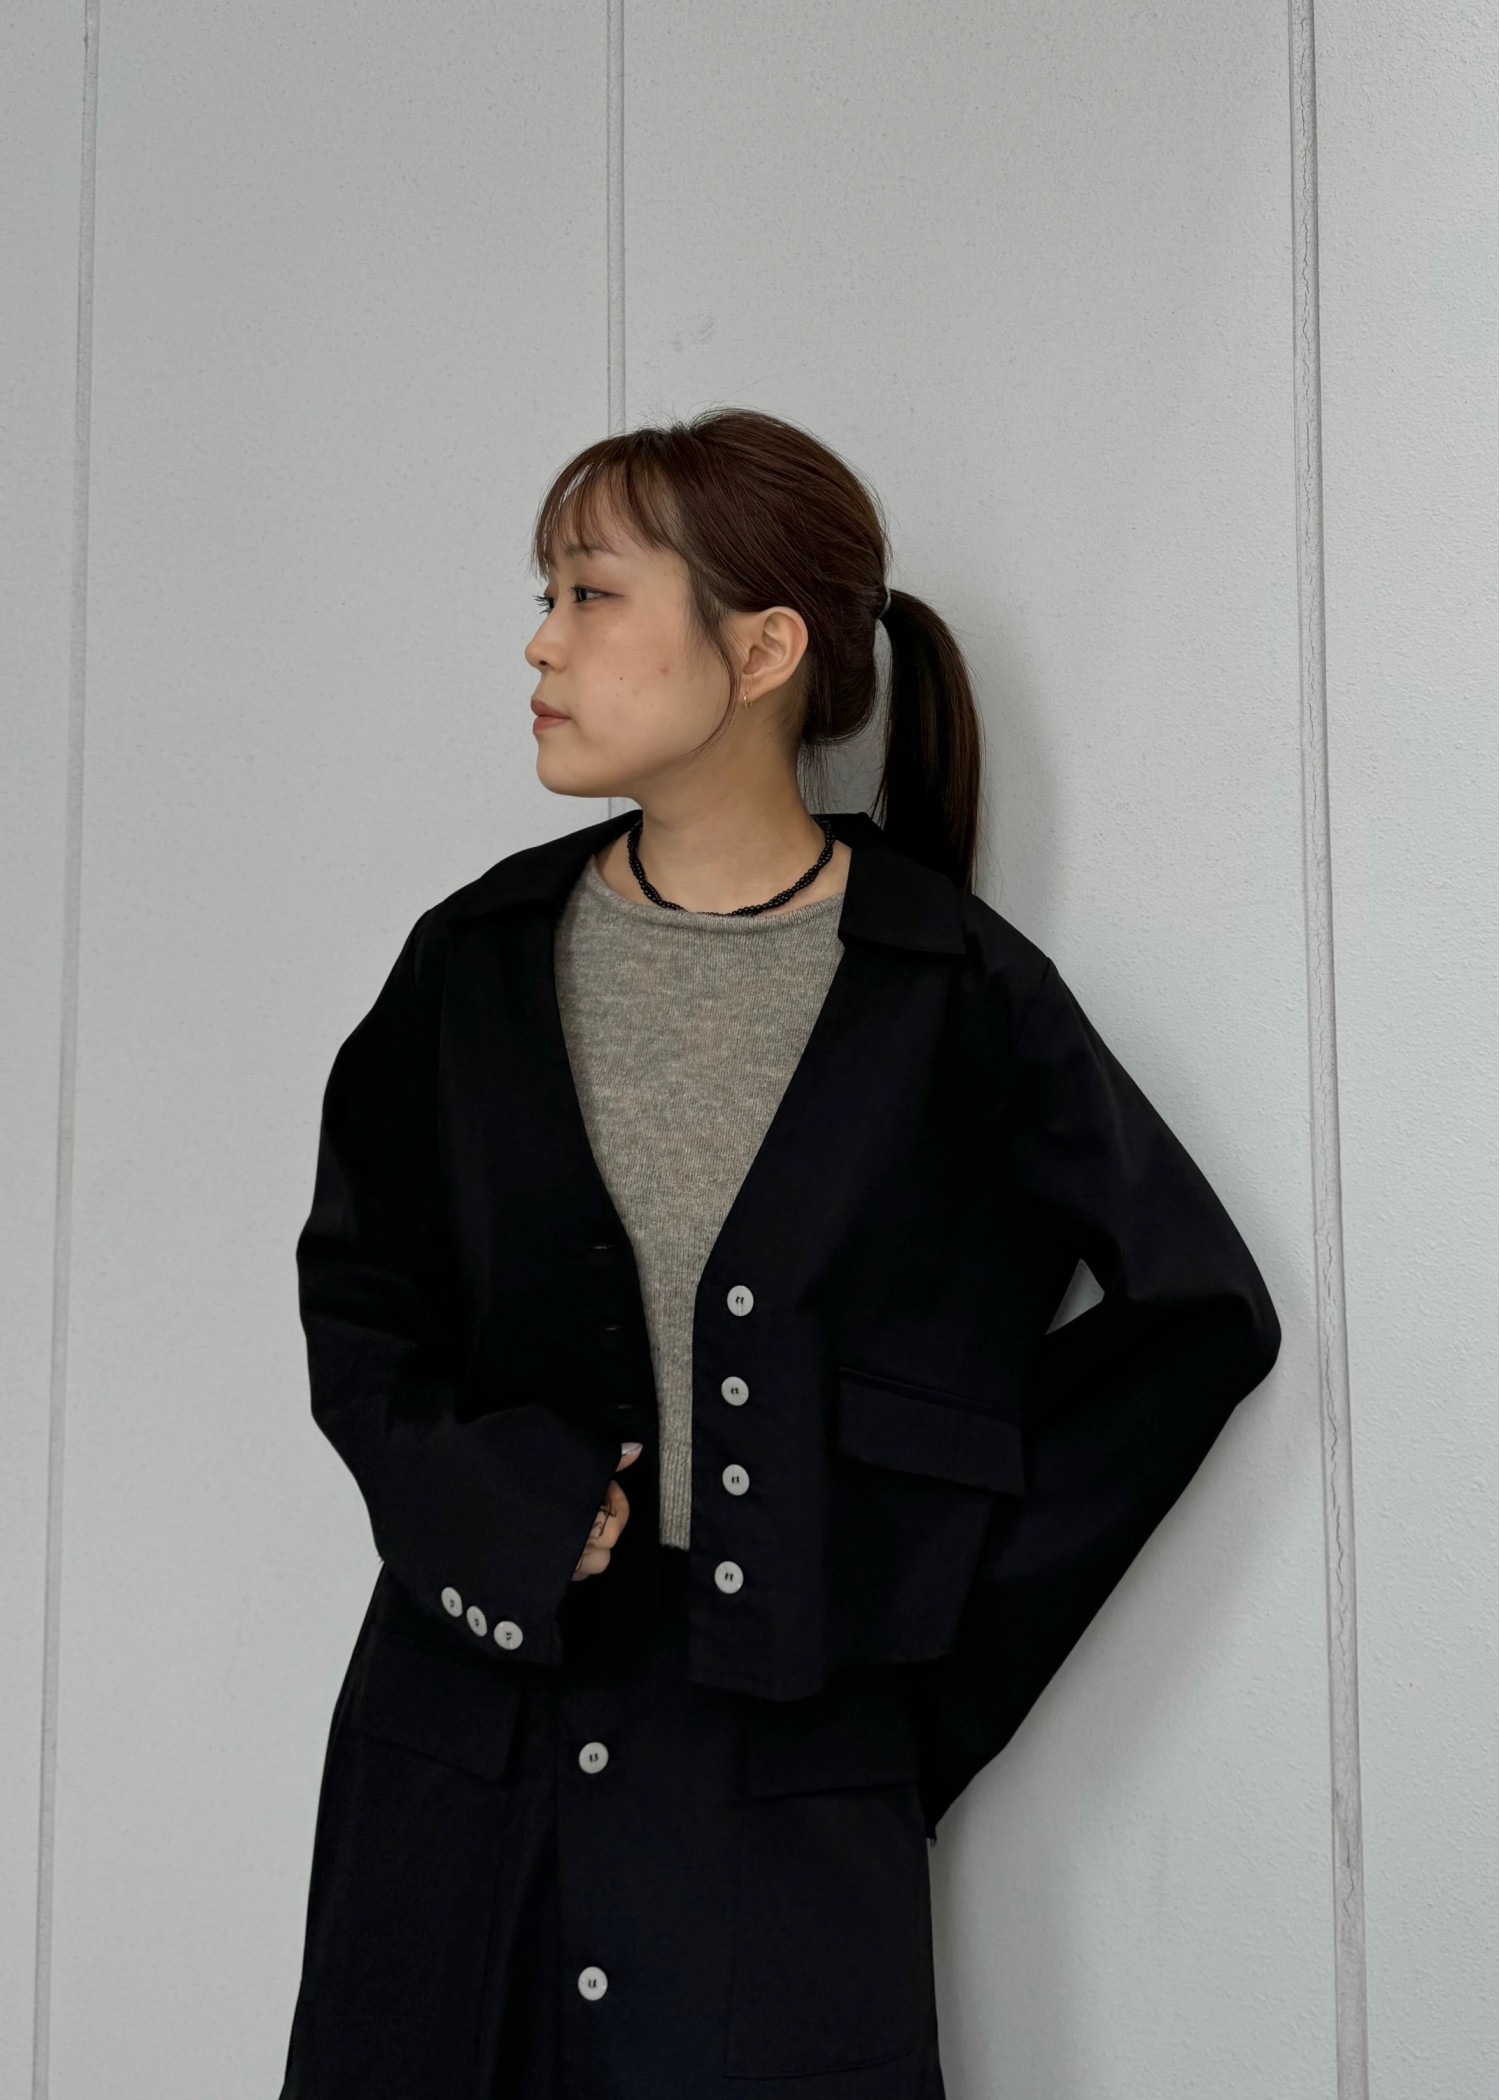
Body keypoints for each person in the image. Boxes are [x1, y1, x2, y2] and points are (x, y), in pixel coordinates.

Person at [277, 408, 1281, 2099]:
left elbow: (1200, 1316)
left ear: (762, 650)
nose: (541, 643)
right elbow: (360, 1295)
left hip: (778, 1806)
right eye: (546, 596)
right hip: (459, 1768)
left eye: (592, 595)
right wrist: (482, 1498)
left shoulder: (954, 996)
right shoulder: (475, 960)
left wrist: (923, 1634)